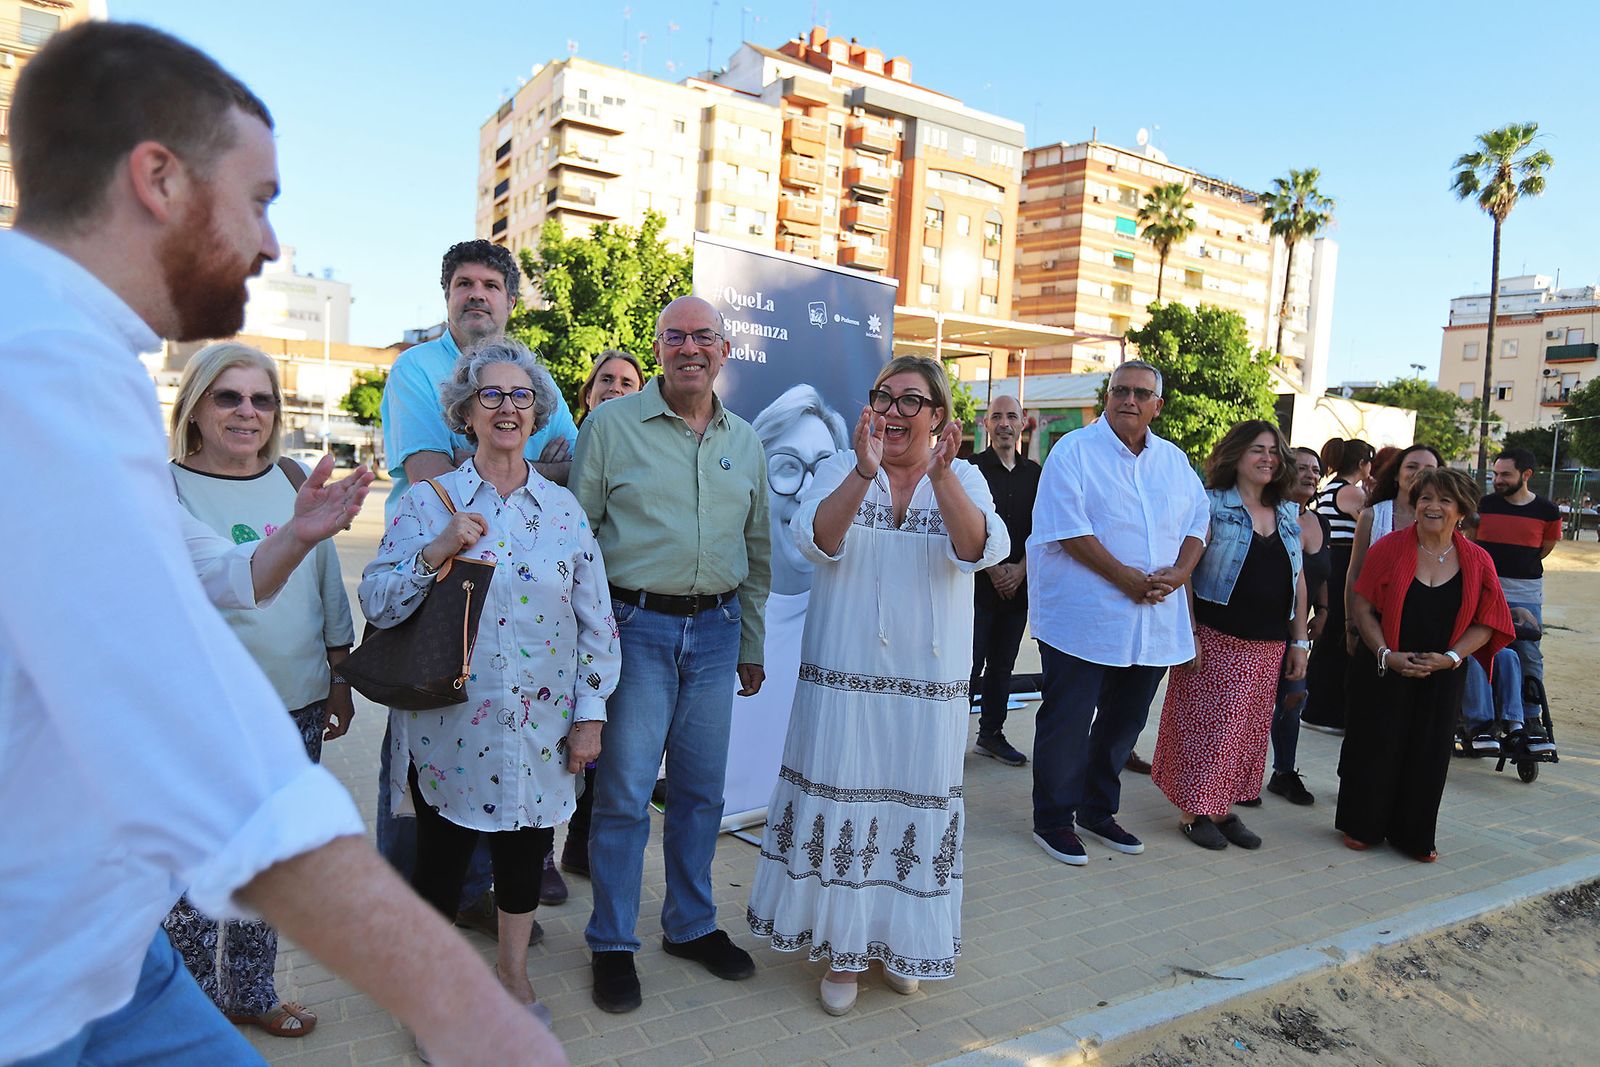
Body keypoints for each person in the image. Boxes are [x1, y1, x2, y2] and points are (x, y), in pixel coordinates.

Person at [0, 22, 563, 1065]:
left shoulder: (76, 352)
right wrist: (472, 1014)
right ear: (157, 177)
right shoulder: (39, 363)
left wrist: (303, 532)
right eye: (257, 199)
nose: (268, 242)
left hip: (100, 948)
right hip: (33, 989)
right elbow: (191, 733)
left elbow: (193, 572)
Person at [361, 341, 619, 1022]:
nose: (507, 407)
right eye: (491, 395)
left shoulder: (564, 512)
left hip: (542, 729)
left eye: (521, 395)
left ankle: (511, 974)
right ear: (466, 413)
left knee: (524, 852)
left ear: (537, 413)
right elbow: (379, 601)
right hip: (451, 728)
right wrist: (435, 550)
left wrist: (590, 715)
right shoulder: (427, 502)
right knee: (440, 865)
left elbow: (599, 624)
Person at [746, 356, 1007, 1014]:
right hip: (845, 686)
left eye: (909, 400)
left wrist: (942, 478)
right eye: (883, 397)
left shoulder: (966, 475)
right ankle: (844, 950)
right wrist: (864, 472)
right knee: (847, 805)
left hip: (928, 690)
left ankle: (899, 941)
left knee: (910, 811)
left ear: (939, 415)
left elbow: (978, 546)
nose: (891, 410)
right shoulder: (843, 465)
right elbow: (818, 539)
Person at [571, 295, 771, 1014]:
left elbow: (756, 550)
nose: (690, 348)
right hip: (635, 631)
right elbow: (579, 541)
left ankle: (689, 925)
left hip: (716, 636)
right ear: (658, 348)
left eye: (704, 337)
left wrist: (750, 637)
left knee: (701, 794)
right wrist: (587, 653)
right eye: (675, 336)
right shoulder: (610, 426)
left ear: (725, 351)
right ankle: (613, 942)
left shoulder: (743, 440)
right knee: (623, 796)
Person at [376, 239, 582, 938]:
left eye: (490, 285)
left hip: (519, 638)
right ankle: (410, 929)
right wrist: (511, 467)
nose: (476, 295)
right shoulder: (413, 370)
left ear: (510, 300)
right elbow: (439, 473)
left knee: (501, 789)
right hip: (436, 611)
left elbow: (561, 467)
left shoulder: (533, 371)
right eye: (463, 283)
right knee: (424, 802)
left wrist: (515, 467)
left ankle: (479, 911)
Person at [161, 342, 358, 1040]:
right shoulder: (164, 488)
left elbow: (326, 581)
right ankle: (190, 1015)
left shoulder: (293, 475)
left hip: (295, 705)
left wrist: (339, 673)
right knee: (192, 886)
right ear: (195, 406)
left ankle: (250, 992)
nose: (248, 412)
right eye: (229, 396)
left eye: (262, 399)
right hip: (203, 720)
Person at [1027, 360, 1209, 866]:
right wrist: (1124, 577)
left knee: (1124, 722)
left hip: (1152, 618)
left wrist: (1178, 572)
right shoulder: (1074, 451)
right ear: (1107, 397)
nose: (1129, 399)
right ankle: (1054, 820)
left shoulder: (1174, 461)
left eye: (1140, 393)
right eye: (1120, 390)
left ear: (1158, 405)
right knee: (1068, 719)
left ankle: (1097, 809)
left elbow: (1198, 522)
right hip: (1083, 617)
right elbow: (1068, 528)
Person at [1339, 468, 1512, 862]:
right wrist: (1385, 654)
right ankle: (1362, 826)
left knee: (1429, 752)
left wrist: (1450, 658)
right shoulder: (1390, 547)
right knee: (1376, 744)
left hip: (1443, 671)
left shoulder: (1478, 560)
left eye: (1444, 500)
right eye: (1425, 498)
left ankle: (1413, 836)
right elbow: (1363, 606)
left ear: (1462, 510)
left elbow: (1488, 621)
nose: (1432, 506)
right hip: (1386, 663)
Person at [1152, 422, 1308, 850]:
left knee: (1246, 732)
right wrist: (1189, 635)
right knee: (1205, 728)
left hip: (1270, 642)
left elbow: (1298, 579)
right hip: (1218, 635)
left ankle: (1220, 807)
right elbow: (1184, 571)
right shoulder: (1210, 505)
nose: (1267, 459)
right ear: (1236, 455)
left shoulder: (1288, 512)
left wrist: (1300, 642)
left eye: (1275, 452)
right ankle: (1192, 811)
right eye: (1257, 449)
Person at [555, 348, 646, 888]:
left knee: (607, 736)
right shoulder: (562, 450)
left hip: (627, 612)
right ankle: (541, 853)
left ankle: (582, 846)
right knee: (560, 729)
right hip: (563, 613)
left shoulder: (648, 450)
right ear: (587, 394)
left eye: (627, 382)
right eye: (605, 380)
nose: (615, 387)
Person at [1244, 446, 1329, 807]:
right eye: (1302, 467)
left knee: (1293, 698)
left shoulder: (1318, 521)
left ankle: (1283, 772)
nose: (1310, 474)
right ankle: (1239, 776)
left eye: (1316, 469)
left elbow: (1320, 570)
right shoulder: (1267, 515)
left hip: (1297, 632)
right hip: (1258, 626)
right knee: (1250, 704)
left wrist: (1323, 609)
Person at [968, 394, 1041, 767]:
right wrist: (994, 568)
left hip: (1018, 590)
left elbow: (1043, 531)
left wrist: (1021, 570)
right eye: (996, 416)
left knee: (1002, 666)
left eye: (1011, 416)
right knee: (967, 665)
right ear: (986, 424)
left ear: (1023, 423)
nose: (1004, 423)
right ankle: (947, 742)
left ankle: (990, 735)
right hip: (977, 587)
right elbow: (962, 523)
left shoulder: (1036, 475)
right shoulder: (969, 469)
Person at [1301, 437, 1375, 732]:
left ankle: (1317, 707)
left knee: (1328, 640)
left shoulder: (1331, 488)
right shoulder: (1350, 492)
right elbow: (1371, 526)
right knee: (1336, 641)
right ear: (1362, 464)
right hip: (1343, 566)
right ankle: (1324, 710)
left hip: (1332, 566)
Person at [1475, 447, 1561, 696]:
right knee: (1482, 649)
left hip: (1527, 594)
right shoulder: (1483, 506)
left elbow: (1544, 549)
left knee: (1529, 653)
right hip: (1487, 591)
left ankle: (1531, 714)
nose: (1498, 480)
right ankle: (1486, 715)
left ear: (1526, 475)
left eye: (1506, 474)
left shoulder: (1548, 511)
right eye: (1495, 474)